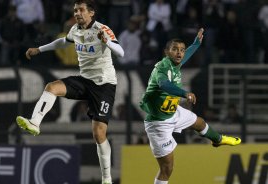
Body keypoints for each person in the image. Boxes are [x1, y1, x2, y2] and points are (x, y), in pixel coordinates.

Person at [16, 1, 124, 184]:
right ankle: (34, 123)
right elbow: (63, 42)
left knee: (98, 134)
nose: (77, 13)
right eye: (75, 10)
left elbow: (120, 52)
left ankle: (106, 177)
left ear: (91, 12)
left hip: (104, 85)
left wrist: (107, 41)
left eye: (81, 10)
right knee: (52, 87)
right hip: (85, 80)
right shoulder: (75, 29)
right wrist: (39, 49)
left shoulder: (103, 29)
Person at [139, 28, 241, 184]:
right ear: (166, 52)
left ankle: (218, 140)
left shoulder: (176, 63)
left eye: (181, 50)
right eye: (175, 50)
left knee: (199, 123)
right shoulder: (162, 68)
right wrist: (184, 93)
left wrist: (196, 43)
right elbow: (164, 84)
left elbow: (187, 54)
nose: (180, 53)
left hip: (173, 111)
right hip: (159, 123)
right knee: (167, 168)